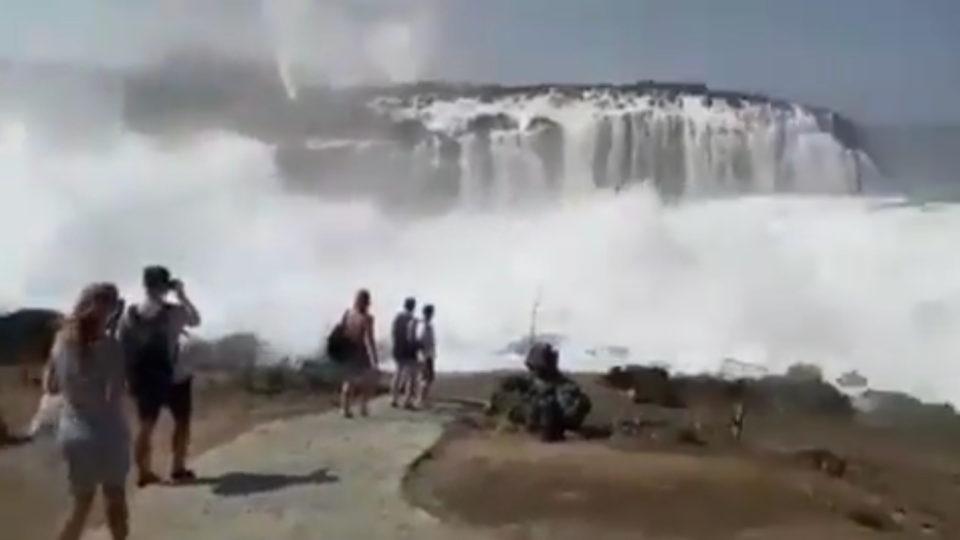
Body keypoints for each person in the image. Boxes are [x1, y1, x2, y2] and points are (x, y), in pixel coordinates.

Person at [45, 283, 129, 540]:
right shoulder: (111, 346)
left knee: (80, 507)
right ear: (113, 309)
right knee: (115, 500)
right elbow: (114, 393)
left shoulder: (60, 342)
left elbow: (52, 386)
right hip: (107, 430)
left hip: (73, 430)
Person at [119, 266, 201, 487]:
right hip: (175, 375)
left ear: (145, 285)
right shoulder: (174, 312)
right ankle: (177, 467)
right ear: (166, 285)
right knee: (182, 422)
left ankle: (143, 472)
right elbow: (195, 320)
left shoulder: (131, 313)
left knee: (146, 426)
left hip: (145, 378)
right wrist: (182, 295)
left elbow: (123, 345)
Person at [340, 289, 379, 418]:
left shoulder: (348, 314)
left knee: (349, 380)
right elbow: (370, 338)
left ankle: (346, 408)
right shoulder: (367, 318)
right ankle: (363, 406)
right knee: (367, 380)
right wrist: (374, 356)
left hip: (348, 350)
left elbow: (342, 331)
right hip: (360, 351)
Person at [390, 297, 419, 409]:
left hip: (398, 349)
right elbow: (412, 337)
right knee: (411, 376)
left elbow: (393, 332)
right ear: (413, 307)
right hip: (409, 350)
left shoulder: (398, 318)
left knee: (397, 373)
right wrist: (417, 346)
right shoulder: (413, 320)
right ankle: (407, 401)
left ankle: (393, 398)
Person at [416, 304, 437, 408]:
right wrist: (424, 355)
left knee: (426, 377)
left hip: (427, 354)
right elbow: (421, 341)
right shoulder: (425, 326)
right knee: (427, 378)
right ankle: (421, 400)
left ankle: (422, 399)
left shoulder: (425, 325)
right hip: (426, 355)